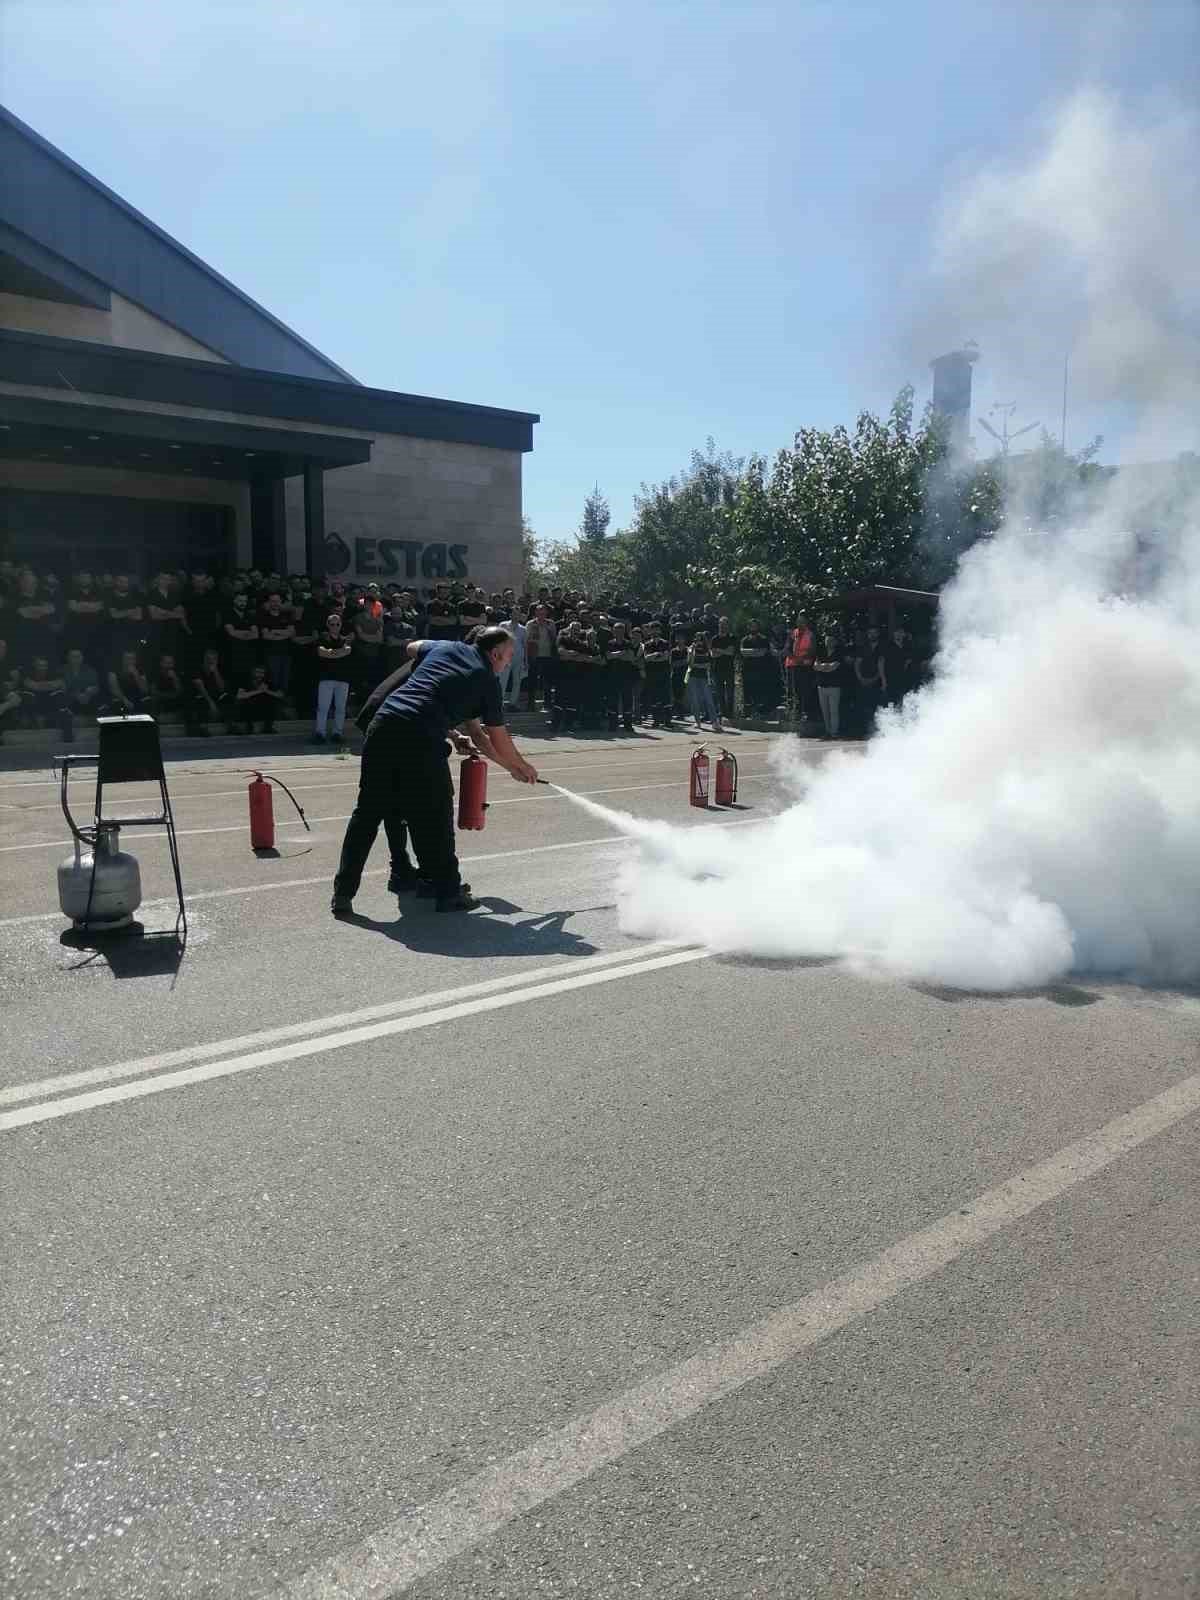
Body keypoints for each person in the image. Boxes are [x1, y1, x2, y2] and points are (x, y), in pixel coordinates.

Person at [331, 627, 539, 917]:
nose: (509, 662)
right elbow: (499, 738)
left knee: (367, 813)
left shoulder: (445, 648)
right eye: (509, 656)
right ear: (495, 654)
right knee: (436, 813)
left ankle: (343, 895)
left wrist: (510, 767)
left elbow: (411, 647)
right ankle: (448, 892)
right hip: (420, 736)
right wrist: (522, 766)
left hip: (385, 725)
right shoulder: (487, 680)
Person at [313, 612, 354, 744]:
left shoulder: (344, 640)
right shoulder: (322, 637)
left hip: (343, 679)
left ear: (341, 625)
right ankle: (320, 733)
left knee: (340, 708)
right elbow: (321, 652)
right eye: (332, 624)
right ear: (327, 625)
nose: (335, 626)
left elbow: (347, 651)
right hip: (326, 678)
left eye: (337, 624)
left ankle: (337, 733)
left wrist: (331, 652)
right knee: (323, 707)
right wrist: (338, 653)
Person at [812, 632, 852, 739]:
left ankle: (834, 732)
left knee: (834, 711)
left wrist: (823, 666)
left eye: (831, 640)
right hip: (821, 686)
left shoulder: (839, 653)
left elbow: (834, 667)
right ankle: (827, 731)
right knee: (825, 711)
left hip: (834, 686)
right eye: (827, 640)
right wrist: (826, 666)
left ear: (835, 642)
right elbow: (815, 666)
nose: (828, 642)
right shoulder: (821, 652)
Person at [188, 648, 233, 735]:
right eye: (209, 659)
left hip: (216, 696)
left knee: (228, 697)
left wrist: (215, 671)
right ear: (204, 659)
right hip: (203, 696)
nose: (211, 661)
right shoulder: (197, 669)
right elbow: (201, 689)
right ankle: (203, 728)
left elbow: (222, 688)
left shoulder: (218, 670)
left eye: (213, 659)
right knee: (201, 701)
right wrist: (211, 703)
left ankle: (230, 725)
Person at [685, 632, 723, 731]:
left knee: (709, 699)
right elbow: (690, 663)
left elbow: (709, 664)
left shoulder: (707, 650)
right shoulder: (691, 648)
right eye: (696, 639)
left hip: (704, 677)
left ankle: (715, 722)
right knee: (695, 700)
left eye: (700, 639)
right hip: (693, 677)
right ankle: (697, 722)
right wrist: (692, 650)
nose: (699, 641)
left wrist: (699, 665)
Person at [524, 604, 557, 712]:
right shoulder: (530, 623)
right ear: (535, 613)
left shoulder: (551, 623)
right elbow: (527, 640)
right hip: (534, 655)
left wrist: (548, 630)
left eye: (543, 612)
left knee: (547, 681)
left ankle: (547, 703)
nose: (541, 614)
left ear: (546, 613)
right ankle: (530, 703)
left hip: (547, 655)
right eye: (539, 612)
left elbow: (554, 639)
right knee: (532, 680)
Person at [784, 612, 815, 722]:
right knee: (794, 690)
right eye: (798, 621)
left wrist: (802, 658)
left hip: (805, 666)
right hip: (793, 665)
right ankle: (795, 712)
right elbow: (787, 649)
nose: (800, 623)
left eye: (802, 621)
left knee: (805, 690)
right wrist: (795, 658)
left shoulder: (810, 634)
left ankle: (805, 712)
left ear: (806, 622)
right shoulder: (793, 633)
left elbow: (812, 650)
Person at [236, 664, 285, 734]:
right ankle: (249, 727)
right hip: (250, 709)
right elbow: (239, 696)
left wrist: (266, 691)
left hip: (264, 709)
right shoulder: (246, 682)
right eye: (257, 672)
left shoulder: (268, 683)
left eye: (262, 673)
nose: (260, 674)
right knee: (245, 703)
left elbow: (280, 695)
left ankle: (268, 727)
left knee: (272, 701)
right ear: (253, 672)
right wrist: (259, 691)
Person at [710, 617, 738, 722]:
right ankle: (722, 712)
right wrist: (724, 651)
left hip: (729, 668)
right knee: (719, 692)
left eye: (724, 624)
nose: (722, 626)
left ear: (728, 625)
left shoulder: (732, 638)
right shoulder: (715, 639)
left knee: (730, 692)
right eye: (720, 624)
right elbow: (713, 655)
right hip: (717, 669)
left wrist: (718, 650)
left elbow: (731, 652)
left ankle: (730, 713)